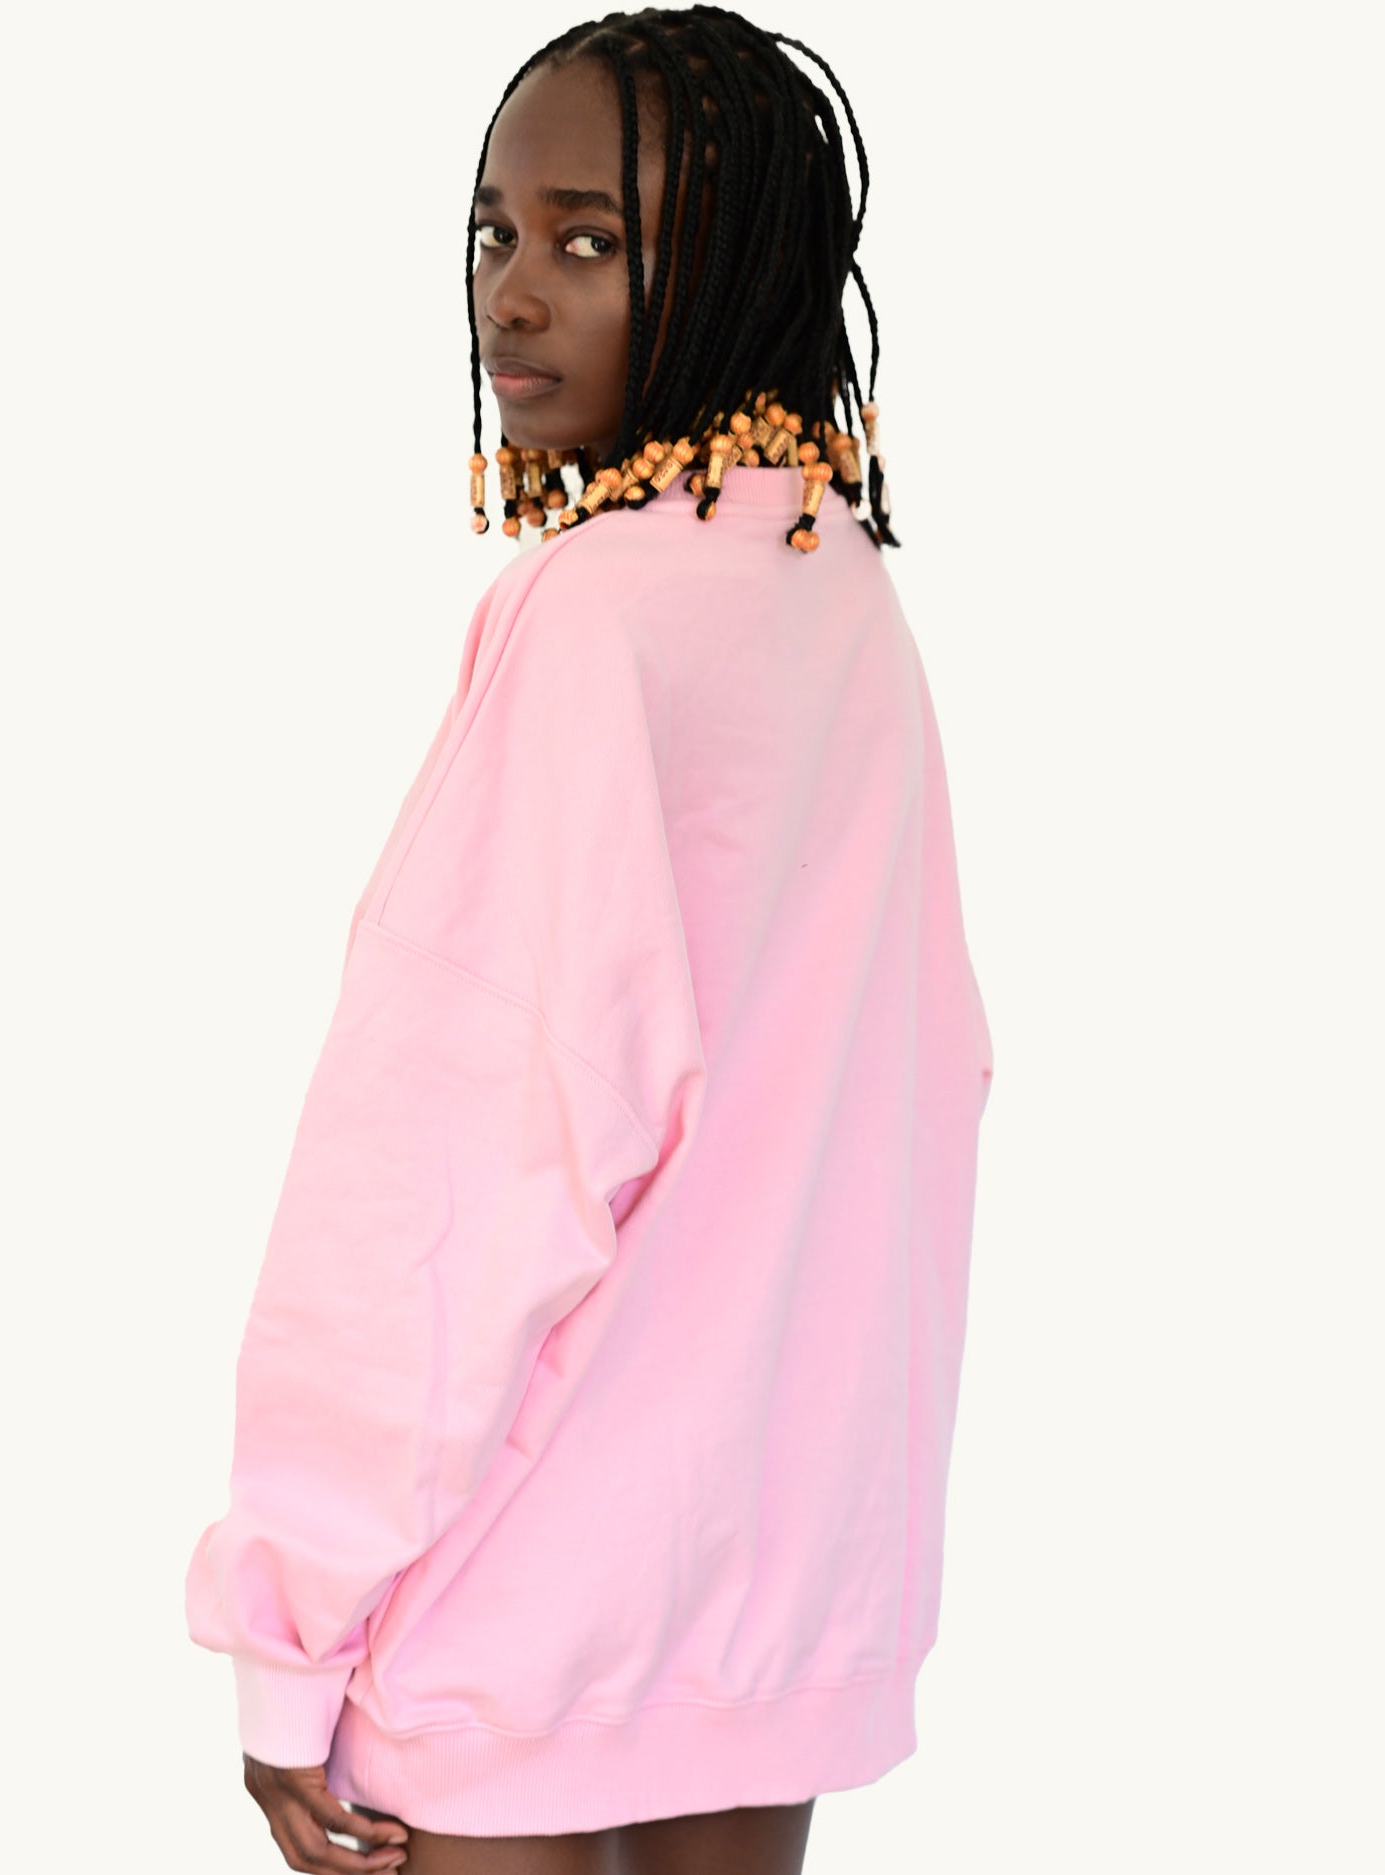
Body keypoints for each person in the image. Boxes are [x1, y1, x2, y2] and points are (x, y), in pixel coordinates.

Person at [184, 7, 994, 1872]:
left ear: (743, 270)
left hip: (516, 1617)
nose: (516, 292)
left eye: (591, 237)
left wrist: (289, 1634)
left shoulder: (592, 616)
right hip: (771, 1612)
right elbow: (926, 1085)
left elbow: (447, 1153)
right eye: (494, 231)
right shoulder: (838, 597)